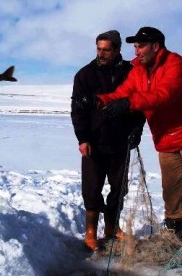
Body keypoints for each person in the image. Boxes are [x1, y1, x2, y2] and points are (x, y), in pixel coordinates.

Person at [96, 26, 182, 254]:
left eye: (140, 46)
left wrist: (129, 104)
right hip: (166, 140)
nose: (136, 51)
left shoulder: (176, 64)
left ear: (155, 46)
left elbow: (164, 94)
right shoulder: (137, 69)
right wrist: (101, 100)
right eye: (135, 46)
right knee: (171, 193)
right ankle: (176, 240)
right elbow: (124, 92)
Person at [71, 30, 146, 251]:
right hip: (94, 142)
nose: (101, 54)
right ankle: (91, 232)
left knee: (119, 188)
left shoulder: (131, 72)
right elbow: (77, 111)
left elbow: (139, 103)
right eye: (99, 49)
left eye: (106, 50)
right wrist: (83, 138)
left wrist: (137, 130)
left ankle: (112, 227)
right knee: (92, 189)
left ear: (117, 50)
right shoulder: (84, 75)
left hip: (120, 141)